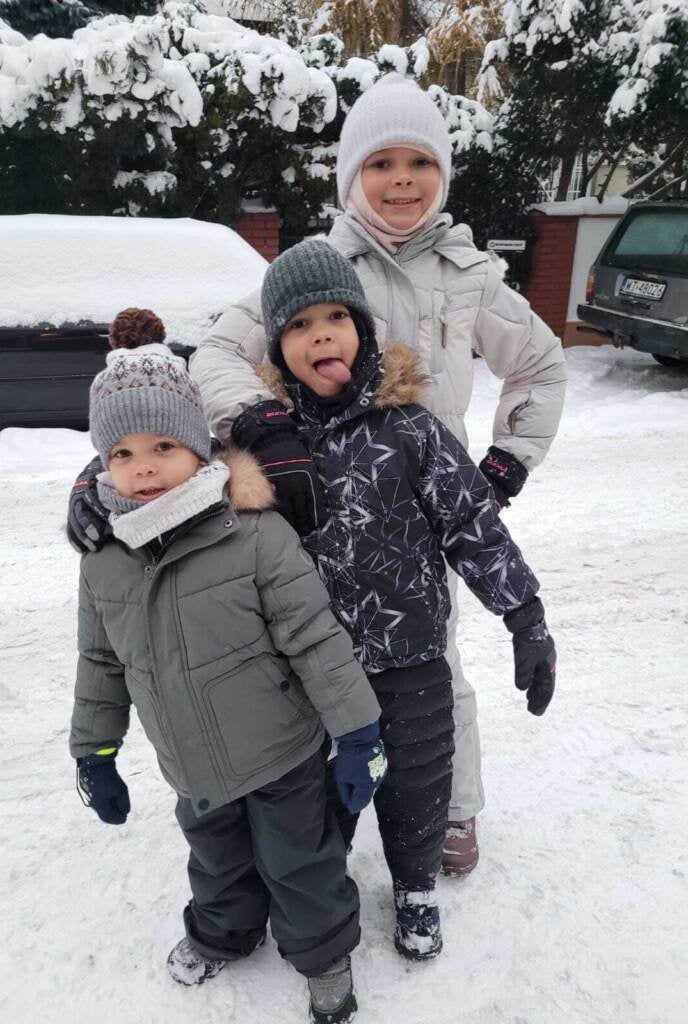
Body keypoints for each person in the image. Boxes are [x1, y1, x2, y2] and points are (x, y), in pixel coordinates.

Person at [185, 74, 569, 875]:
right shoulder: (313, 267)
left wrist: (504, 463)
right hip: (317, 506)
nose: (402, 180)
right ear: (351, 176)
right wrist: (260, 425)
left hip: (422, 506)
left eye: (420, 163)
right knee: (308, 657)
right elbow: (216, 356)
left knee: (435, 668)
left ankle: (450, 809)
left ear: (443, 175)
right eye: (382, 163)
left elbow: (541, 365)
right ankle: (312, 803)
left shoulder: (472, 277)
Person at [227, 238, 555, 961]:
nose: (320, 333)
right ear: (279, 352)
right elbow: (175, 484)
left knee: (416, 788)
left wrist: (524, 616)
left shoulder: (411, 428)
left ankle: (413, 888)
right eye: (298, 324)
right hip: (311, 671)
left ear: (362, 331)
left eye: (335, 316)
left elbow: (472, 523)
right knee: (319, 801)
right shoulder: (266, 448)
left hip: (410, 656)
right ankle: (324, 895)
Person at [69, 307, 386, 1024]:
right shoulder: (104, 561)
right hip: (192, 765)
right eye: (121, 453)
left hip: (280, 755)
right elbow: (100, 660)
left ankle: (323, 951)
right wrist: (95, 751)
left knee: (301, 863)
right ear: (101, 465)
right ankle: (224, 931)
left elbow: (314, 636)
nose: (143, 466)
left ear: (197, 450)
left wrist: (359, 732)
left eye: (161, 446)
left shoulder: (253, 534)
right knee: (217, 863)